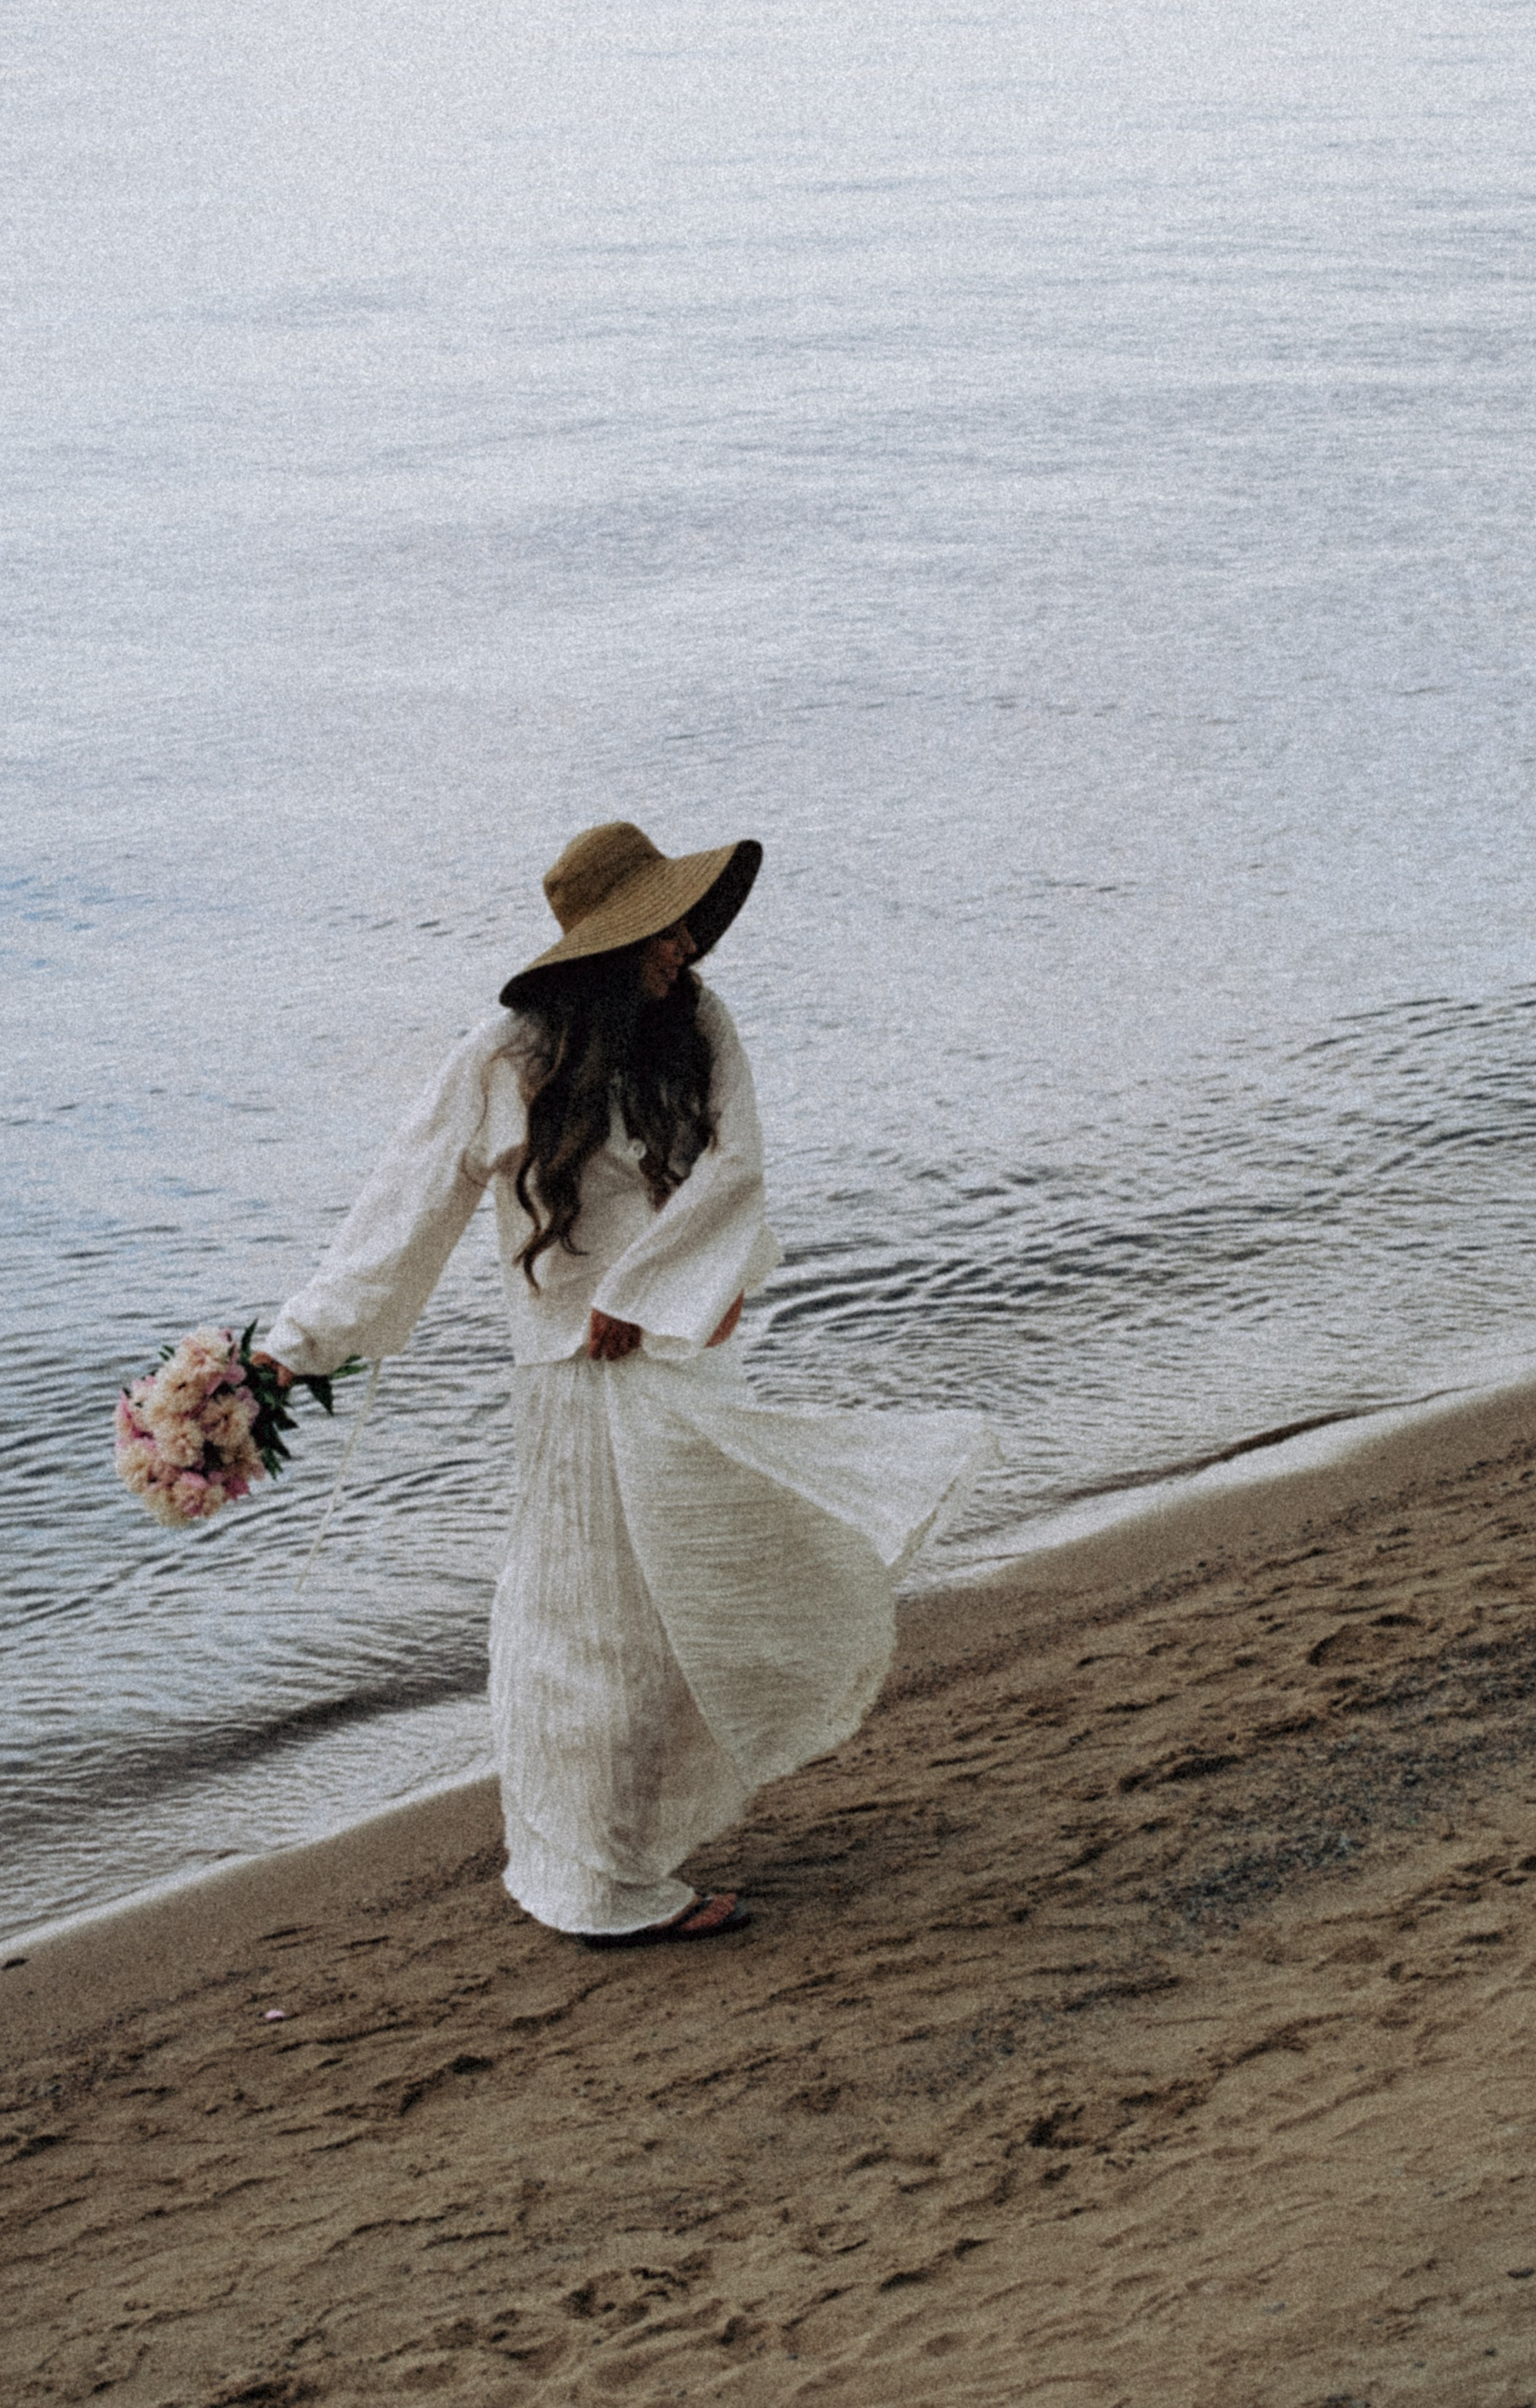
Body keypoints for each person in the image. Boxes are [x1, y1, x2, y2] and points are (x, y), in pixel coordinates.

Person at [260, 823, 989, 1946]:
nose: (687, 943)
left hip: (681, 1364)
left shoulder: (698, 1023)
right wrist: (283, 1354)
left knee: (688, 1609)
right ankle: (593, 1882)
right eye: (663, 926)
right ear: (608, 947)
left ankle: (633, 1852)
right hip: (566, 1389)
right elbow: (401, 1216)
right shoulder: (503, 1059)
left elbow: (737, 1167)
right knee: (577, 1629)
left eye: (686, 918)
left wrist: (653, 1290)